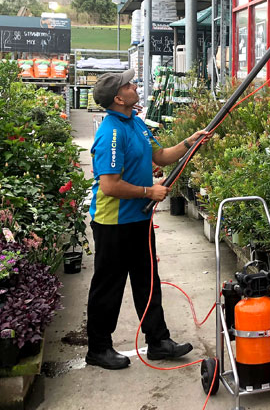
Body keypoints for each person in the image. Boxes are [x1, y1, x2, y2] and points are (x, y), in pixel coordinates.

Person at [85, 68, 207, 370]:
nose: (134, 86)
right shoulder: (111, 132)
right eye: (128, 84)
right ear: (117, 97)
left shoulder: (136, 123)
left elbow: (162, 155)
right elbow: (110, 185)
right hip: (114, 224)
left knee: (147, 281)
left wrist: (188, 142)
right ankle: (98, 348)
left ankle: (158, 342)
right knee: (109, 286)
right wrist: (147, 191)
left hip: (138, 220)